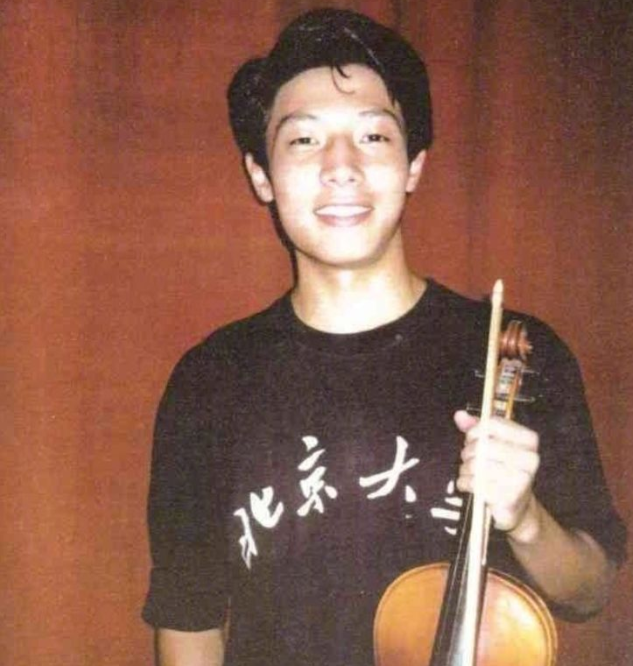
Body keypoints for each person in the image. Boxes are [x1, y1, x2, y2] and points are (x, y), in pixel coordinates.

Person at [142, 8, 626, 666]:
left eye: (373, 136)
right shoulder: (211, 378)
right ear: (261, 175)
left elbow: (589, 591)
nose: (341, 166)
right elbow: (188, 619)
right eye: (304, 140)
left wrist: (526, 519)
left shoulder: (510, 352)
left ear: (413, 166)